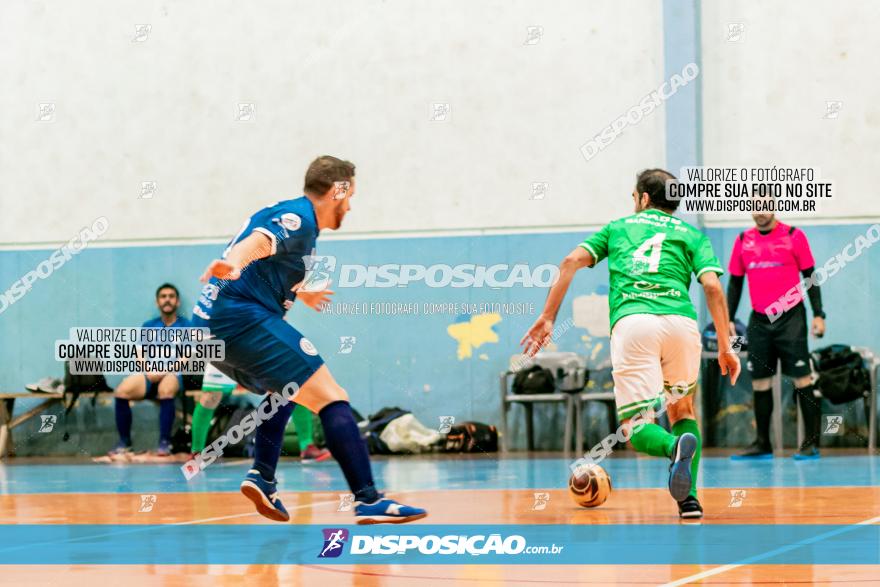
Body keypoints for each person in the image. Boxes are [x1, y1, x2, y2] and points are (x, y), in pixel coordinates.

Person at [190, 155, 426, 524]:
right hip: (238, 319)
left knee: (286, 390)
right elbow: (256, 244)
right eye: (349, 196)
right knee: (333, 397)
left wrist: (304, 292)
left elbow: (276, 265)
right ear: (337, 190)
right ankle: (368, 499)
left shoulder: (306, 231)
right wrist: (234, 263)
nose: (350, 206)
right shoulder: (298, 217)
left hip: (208, 330)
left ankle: (262, 477)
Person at [521, 169, 740, 519]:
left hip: (634, 324)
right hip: (681, 324)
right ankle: (690, 501)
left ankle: (672, 448)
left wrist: (548, 317)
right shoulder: (693, 235)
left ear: (644, 198)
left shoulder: (619, 227)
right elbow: (713, 287)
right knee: (682, 411)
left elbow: (569, 262)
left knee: (636, 426)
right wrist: (727, 346)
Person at [727, 212, 826, 460]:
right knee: (760, 382)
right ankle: (762, 444)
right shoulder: (742, 240)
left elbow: (811, 277)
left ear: (774, 207)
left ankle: (811, 443)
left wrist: (818, 314)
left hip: (791, 318)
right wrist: (727, 318)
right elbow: (735, 283)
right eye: (755, 206)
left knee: (803, 379)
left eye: (765, 205)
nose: (760, 212)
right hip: (760, 320)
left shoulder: (794, 235)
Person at [111, 283, 198, 457]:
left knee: (166, 390)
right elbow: (139, 353)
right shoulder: (149, 325)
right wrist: (149, 370)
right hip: (149, 373)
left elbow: (186, 356)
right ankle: (124, 441)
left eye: (171, 296)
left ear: (177, 302)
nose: (167, 300)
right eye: (163, 296)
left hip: (173, 373)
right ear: (157, 302)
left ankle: (164, 442)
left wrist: (165, 372)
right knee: (121, 391)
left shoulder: (186, 326)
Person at [191, 364, 331, 463]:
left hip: (255, 339)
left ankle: (306, 446)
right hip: (226, 339)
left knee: (293, 386)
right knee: (210, 396)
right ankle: (197, 451)